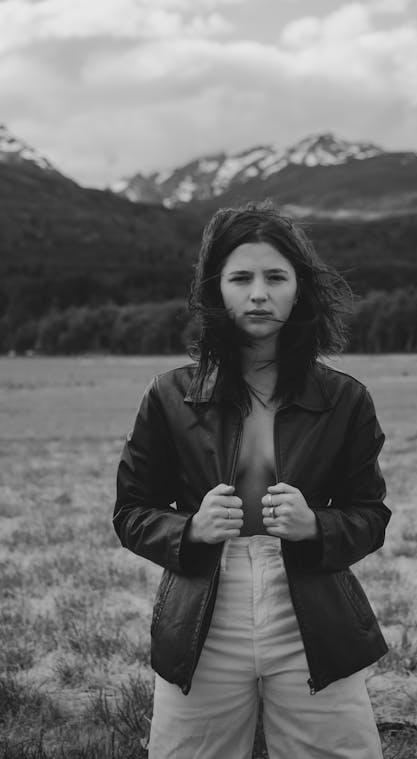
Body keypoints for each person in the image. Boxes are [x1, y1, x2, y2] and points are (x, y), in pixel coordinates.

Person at [113, 201, 391, 759]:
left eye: (275, 277)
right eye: (241, 278)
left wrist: (316, 525)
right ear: (217, 291)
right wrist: (190, 530)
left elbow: (370, 515)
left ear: (299, 290)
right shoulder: (169, 396)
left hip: (312, 608)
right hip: (202, 609)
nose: (258, 294)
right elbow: (131, 511)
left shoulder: (345, 399)